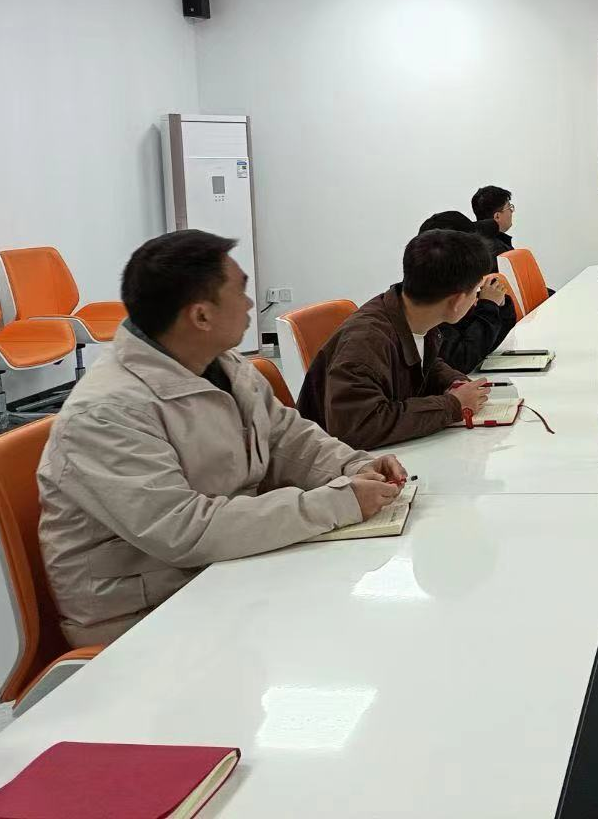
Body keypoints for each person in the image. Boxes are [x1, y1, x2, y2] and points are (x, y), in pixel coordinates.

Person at [36, 231, 406, 646]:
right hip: (145, 618)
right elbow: (184, 531)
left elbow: (286, 437)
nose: (250, 304)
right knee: (348, 635)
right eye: (241, 291)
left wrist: (353, 466)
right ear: (201, 316)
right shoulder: (107, 413)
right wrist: (337, 502)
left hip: (222, 572)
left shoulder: (218, 363)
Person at [297, 230, 493, 450]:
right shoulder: (366, 341)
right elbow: (359, 427)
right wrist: (453, 405)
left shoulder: (412, 313)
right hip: (339, 462)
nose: (476, 300)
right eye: (476, 291)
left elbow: (424, 363)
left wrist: (453, 382)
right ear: (457, 301)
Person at [418, 210, 516, 372]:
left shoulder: (454, 291)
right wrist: (488, 307)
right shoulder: (429, 303)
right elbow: (462, 360)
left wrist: (500, 306)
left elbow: (491, 342)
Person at [472, 184, 516, 258]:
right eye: (509, 207)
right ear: (497, 216)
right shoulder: (501, 253)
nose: (512, 211)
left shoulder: (470, 244)